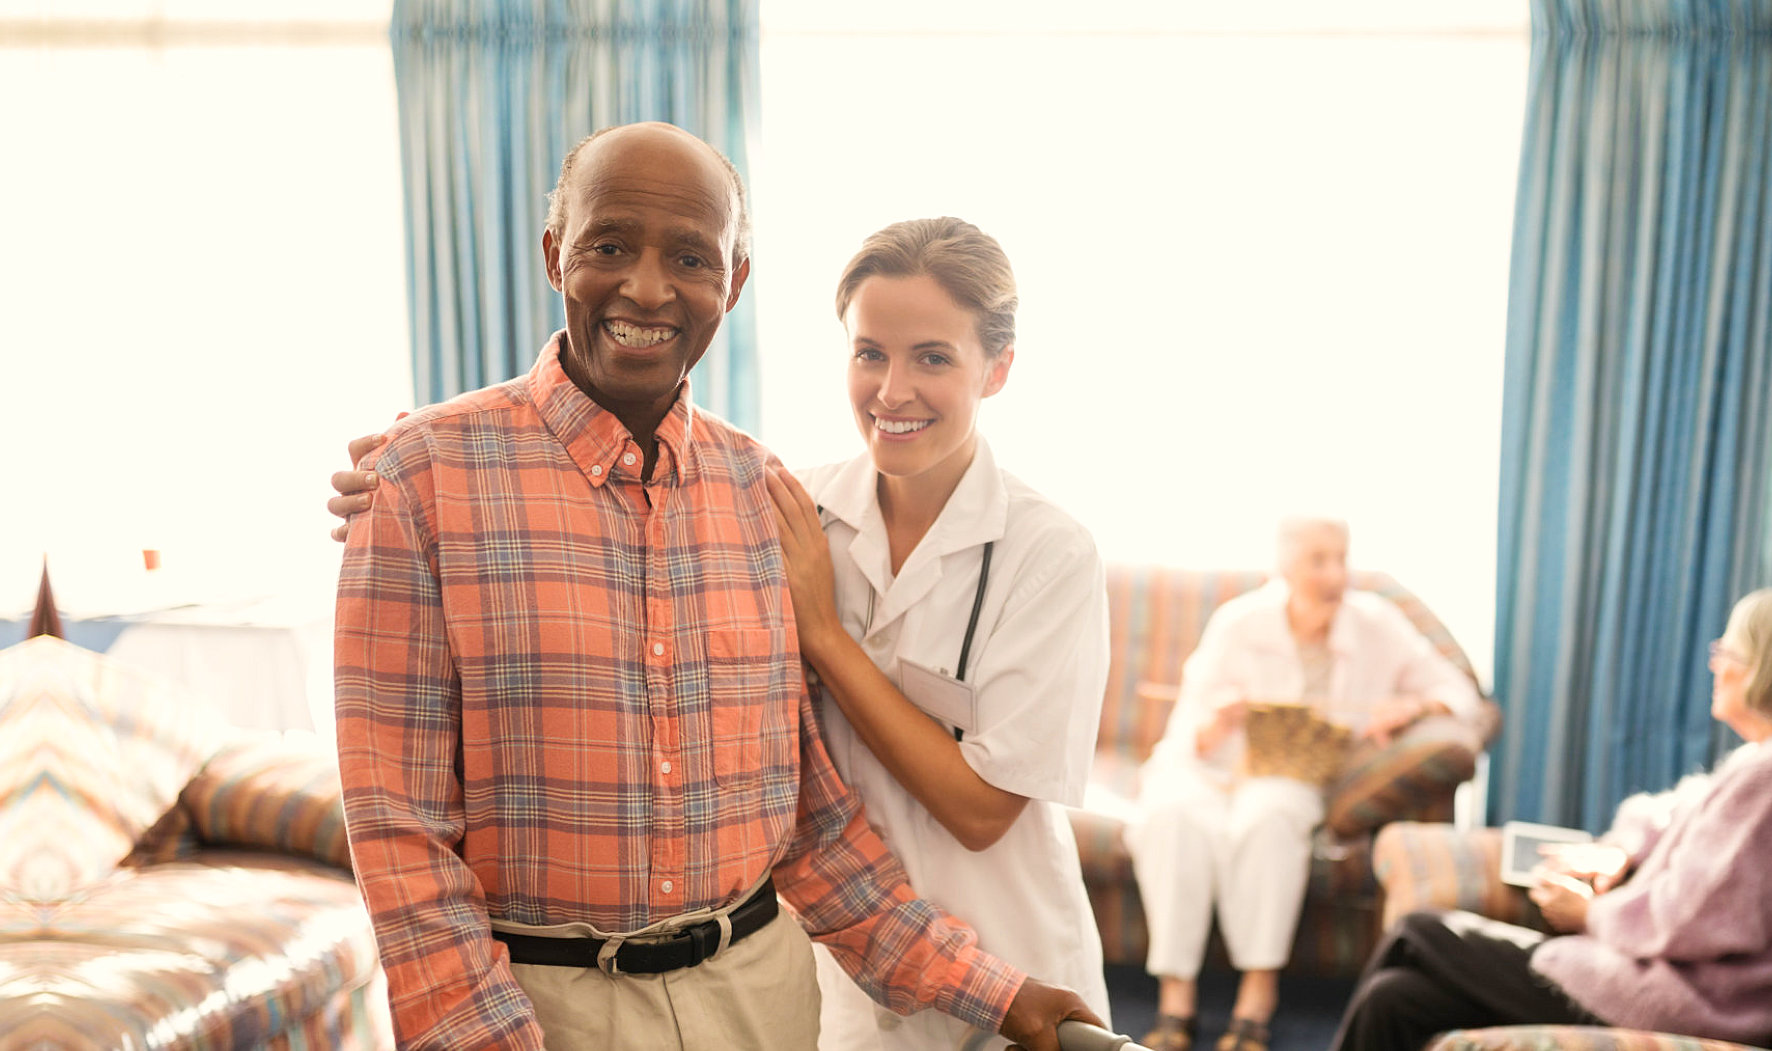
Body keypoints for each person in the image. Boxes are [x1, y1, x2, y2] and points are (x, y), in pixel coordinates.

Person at [331, 121, 1095, 1051]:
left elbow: (806, 823)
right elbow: (400, 833)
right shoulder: (421, 479)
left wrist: (993, 989)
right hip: (545, 1008)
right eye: (609, 245)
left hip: (763, 999)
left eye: (690, 256)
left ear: (732, 281)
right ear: (553, 256)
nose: (648, 288)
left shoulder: (761, 497)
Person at [766, 217, 1111, 1049]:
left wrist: (825, 634)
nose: (890, 391)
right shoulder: (790, 511)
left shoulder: (1047, 552)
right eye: (869, 352)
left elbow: (983, 807)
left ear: (997, 369)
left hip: (1011, 965)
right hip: (841, 974)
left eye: (932, 356)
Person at [1329, 586, 1772, 1051]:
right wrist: (1621, 850)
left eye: (1729, 652)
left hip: (1686, 1002)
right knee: (1394, 1000)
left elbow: (1700, 922)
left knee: (1421, 929)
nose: (1715, 663)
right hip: (1673, 985)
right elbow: (1670, 812)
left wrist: (1590, 914)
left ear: (1771, 669)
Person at [1125, 517, 1481, 1051]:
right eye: (1319, 560)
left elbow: (1460, 692)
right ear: (1285, 567)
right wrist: (1219, 722)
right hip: (1208, 769)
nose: (1334, 573)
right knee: (1172, 819)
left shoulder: (1377, 624)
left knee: (1271, 820)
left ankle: (1256, 996)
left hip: (1293, 776)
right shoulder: (1239, 622)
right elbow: (1188, 735)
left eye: (1341, 558)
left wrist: (1412, 705)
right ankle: (1176, 997)